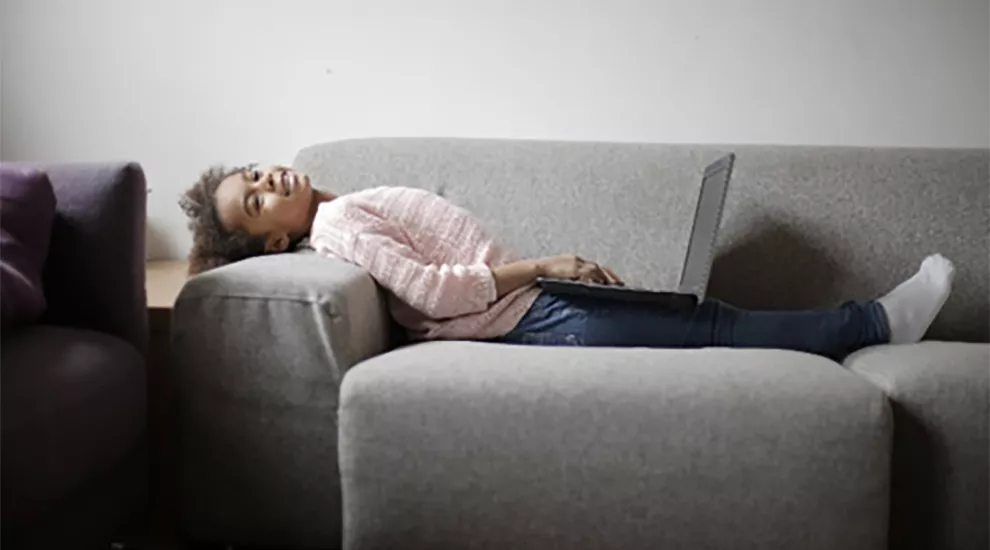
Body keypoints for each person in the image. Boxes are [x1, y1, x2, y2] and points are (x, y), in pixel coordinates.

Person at [179, 164, 955, 361]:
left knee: (703, 319)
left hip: (533, 307)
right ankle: (873, 324)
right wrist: (549, 266)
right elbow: (430, 294)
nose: (269, 180)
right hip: (531, 315)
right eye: (255, 201)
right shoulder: (339, 225)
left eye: (258, 171)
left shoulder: (339, 212)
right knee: (711, 325)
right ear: (275, 241)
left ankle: (869, 323)